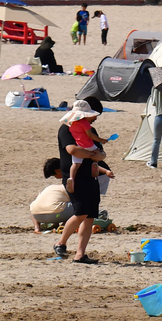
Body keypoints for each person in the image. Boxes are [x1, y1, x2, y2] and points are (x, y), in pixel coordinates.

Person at [53, 97, 108, 262]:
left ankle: (80, 254)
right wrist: (93, 154)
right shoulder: (66, 129)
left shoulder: (91, 131)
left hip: (91, 176)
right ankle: (60, 243)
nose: (95, 118)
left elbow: (102, 154)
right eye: (94, 114)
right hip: (74, 178)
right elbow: (72, 150)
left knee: (90, 216)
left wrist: (96, 155)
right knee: (81, 212)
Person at [30, 158, 73, 233]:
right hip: (57, 214)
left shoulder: (49, 188)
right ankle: (64, 225)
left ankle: (37, 228)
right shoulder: (67, 187)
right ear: (57, 171)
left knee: (35, 204)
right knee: (79, 205)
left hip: (37, 216)